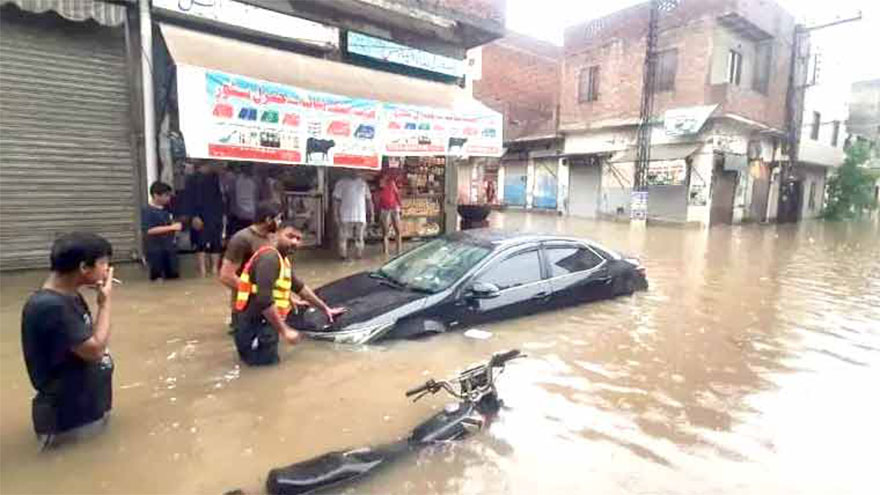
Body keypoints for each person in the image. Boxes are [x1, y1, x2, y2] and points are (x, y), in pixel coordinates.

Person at [21, 232, 115, 448]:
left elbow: (86, 337)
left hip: (86, 411)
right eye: (104, 263)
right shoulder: (49, 306)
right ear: (84, 268)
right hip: (67, 423)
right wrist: (105, 302)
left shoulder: (70, 296)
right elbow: (94, 350)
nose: (108, 270)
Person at [232, 222, 345, 365]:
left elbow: (300, 288)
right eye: (290, 236)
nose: (294, 242)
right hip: (255, 325)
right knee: (264, 370)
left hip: (263, 324)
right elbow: (264, 301)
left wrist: (325, 309)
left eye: (298, 239)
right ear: (275, 235)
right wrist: (285, 330)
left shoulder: (281, 260)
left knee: (265, 368)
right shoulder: (269, 258)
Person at [184, 161, 225, 277]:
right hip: (200, 214)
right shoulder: (192, 179)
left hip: (215, 214)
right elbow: (189, 199)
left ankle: (214, 270)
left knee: (215, 242)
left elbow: (219, 198)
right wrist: (194, 216)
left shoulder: (215, 178)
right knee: (200, 242)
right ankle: (202, 270)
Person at [142, 181, 182, 281]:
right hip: (156, 251)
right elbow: (149, 230)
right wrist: (171, 228)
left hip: (170, 249)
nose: (168, 198)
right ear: (156, 195)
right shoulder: (148, 211)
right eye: (166, 195)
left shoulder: (167, 210)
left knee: (174, 278)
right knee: (158, 278)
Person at [333, 172, 373, 260]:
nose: (355, 171)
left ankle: (358, 257)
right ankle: (343, 257)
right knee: (343, 239)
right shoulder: (341, 183)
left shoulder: (363, 183)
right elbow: (336, 201)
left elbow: (369, 200)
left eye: (356, 170)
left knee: (359, 238)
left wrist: (372, 214)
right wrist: (335, 215)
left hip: (360, 217)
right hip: (346, 217)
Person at [377, 172, 403, 256]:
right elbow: (378, 201)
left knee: (397, 230)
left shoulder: (391, 183)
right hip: (385, 209)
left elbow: (397, 194)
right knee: (386, 232)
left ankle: (398, 250)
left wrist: (400, 206)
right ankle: (386, 252)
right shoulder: (379, 189)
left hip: (393, 208)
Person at [229, 164, 258, 237]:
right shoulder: (236, 180)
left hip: (250, 214)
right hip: (239, 214)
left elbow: (255, 196)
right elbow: (232, 196)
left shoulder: (254, 181)